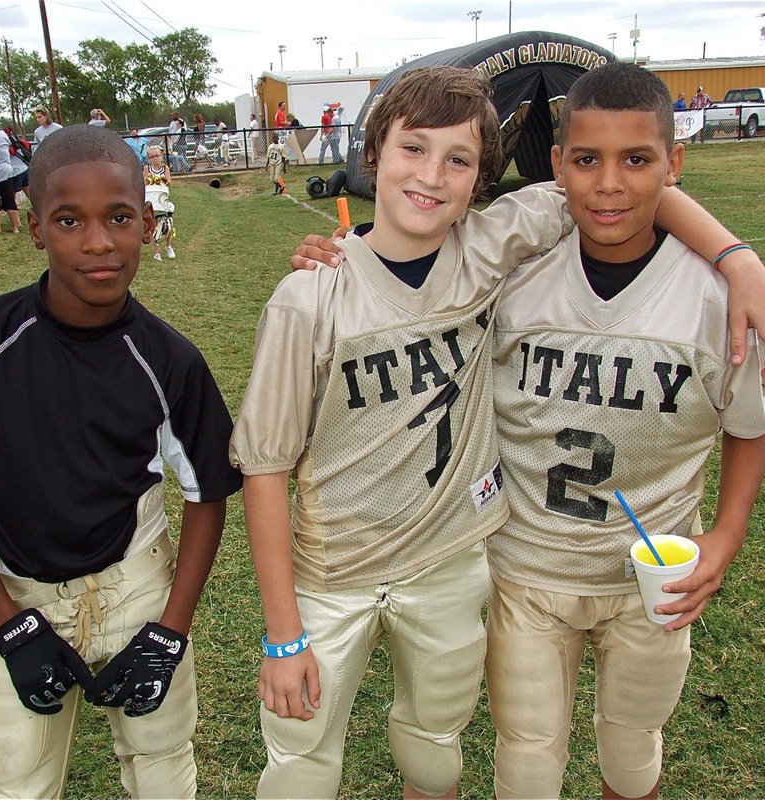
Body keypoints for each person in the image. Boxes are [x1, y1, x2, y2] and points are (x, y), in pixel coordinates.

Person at [231, 65, 590, 800]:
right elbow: (263, 467)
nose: (431, 175)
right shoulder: (310, 295)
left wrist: (735, 260)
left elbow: (613, 182)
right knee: (300, 767)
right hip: (332, 571)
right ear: (374, 152)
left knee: (435, 752)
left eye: (458, 160)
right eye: (413, 149)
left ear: (481, 178)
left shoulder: (486, 249)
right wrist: (282, 632)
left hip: (449, 561)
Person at [0, 123, 242, 799]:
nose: (98, 242)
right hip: (21, 592)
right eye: (69, 220)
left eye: (118, 218)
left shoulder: (169, 360)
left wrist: (170, 631)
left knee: (162, 763)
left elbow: (207, 496)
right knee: (6, 777)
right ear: (35, 229)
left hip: (136, 585)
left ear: (147, 221)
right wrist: (9, 627)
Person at [485, 61, 765, 800]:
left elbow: (749, 424)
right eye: (587, 160)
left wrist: (728, 534)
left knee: (631, 755)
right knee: (525, 765)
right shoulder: (512, 271)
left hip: (652, 573)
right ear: (558, 167)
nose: (609, 183)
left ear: (674, 165)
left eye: (637, 159)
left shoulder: (714, 299)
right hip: (528, 568)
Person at [144, 144, 175, 260]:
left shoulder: (165, 168)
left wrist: (159, 179)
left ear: (161, 156)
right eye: (151, 157)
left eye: (156, 156)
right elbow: (144, 182)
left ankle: (168, 246)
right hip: (152, 201)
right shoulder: (147, 168)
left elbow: (168, 181)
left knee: (168, 225)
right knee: (155, 227)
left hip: (163, 199)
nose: (154, 159)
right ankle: (156, 252)